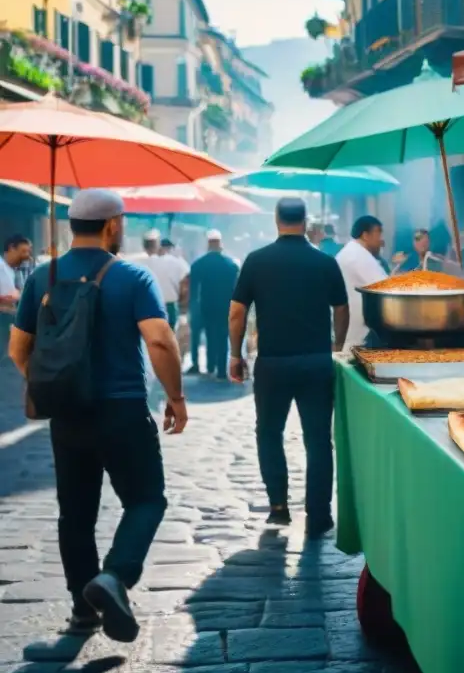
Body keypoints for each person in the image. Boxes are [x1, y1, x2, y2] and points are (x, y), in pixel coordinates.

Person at [7, 189, 186, 643]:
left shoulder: (41, 278)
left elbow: (18, 348)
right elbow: (161, 341)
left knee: (76, 512)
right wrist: (176, 397)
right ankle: (115, 576)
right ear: (111, 225)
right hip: (123, 409)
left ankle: (82, 611)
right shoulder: (131, 276)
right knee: (146, 499)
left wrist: (52, 386)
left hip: (69, 417)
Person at [229, 197, 349, 536]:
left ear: (276, 219)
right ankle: (319, 514)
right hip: (315, 362)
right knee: (318, 440)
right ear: (306, 221)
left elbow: (237, 311)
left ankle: (279, 507)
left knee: (269, 433)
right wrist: (336, 347)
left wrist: (235, 354)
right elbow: (341, 308)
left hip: (273, 363)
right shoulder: (324, 262)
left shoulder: (256, 260)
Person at [337, 215, 403, 350]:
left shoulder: (352, 252)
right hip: (360, 336)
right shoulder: (358, 256)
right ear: (366, 235)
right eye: (378, 233)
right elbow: (386, 289)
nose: (381, 240)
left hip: (353, 331)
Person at [189, 230, 239, 380]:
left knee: (210, 336)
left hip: (206, 306)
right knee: (223, 338)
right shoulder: (231, 265)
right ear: (220, 244)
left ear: (208, 245)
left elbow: (193, 290)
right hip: (226, 307)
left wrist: (193, 309)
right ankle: (222, 371)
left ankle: (211, 366)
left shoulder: (198, 264)